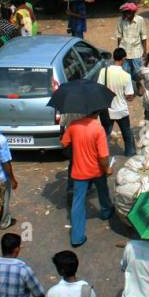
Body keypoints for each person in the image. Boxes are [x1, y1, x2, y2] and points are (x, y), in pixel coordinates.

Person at [61, 104, 114, 243]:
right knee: (103, 192)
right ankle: (106, 212)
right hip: (97, 170)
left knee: (78, 203)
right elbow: (103, 157)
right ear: (97, 112)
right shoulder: (98, 128)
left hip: (79, 171)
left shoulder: (73, 125)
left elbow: (64, 143)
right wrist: (107, 169)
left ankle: (77, 238)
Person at [97, 48, 136, 157]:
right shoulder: (126, 76)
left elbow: (99, 88)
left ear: (114, 57)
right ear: (123, 59)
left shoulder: (103, 72)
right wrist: (130, 97)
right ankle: (130, 153)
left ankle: (102, 155)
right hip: (121, 110)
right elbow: (129, 96)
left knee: (105, 135)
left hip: (106, 110)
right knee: (127, 133)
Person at [116, 3, 149, 81]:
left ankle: (138, 84)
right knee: (125, 72)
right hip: (124, 50)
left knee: (138, 72)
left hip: (136, 50)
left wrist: (145, 52)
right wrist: (119, 50)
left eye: (129, 12)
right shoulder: (121, 20)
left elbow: (143, 36)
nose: (127, 15)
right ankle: (129, 89)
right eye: (125, 13)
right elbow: (119, 35)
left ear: (133, 12)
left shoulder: (140, 20)